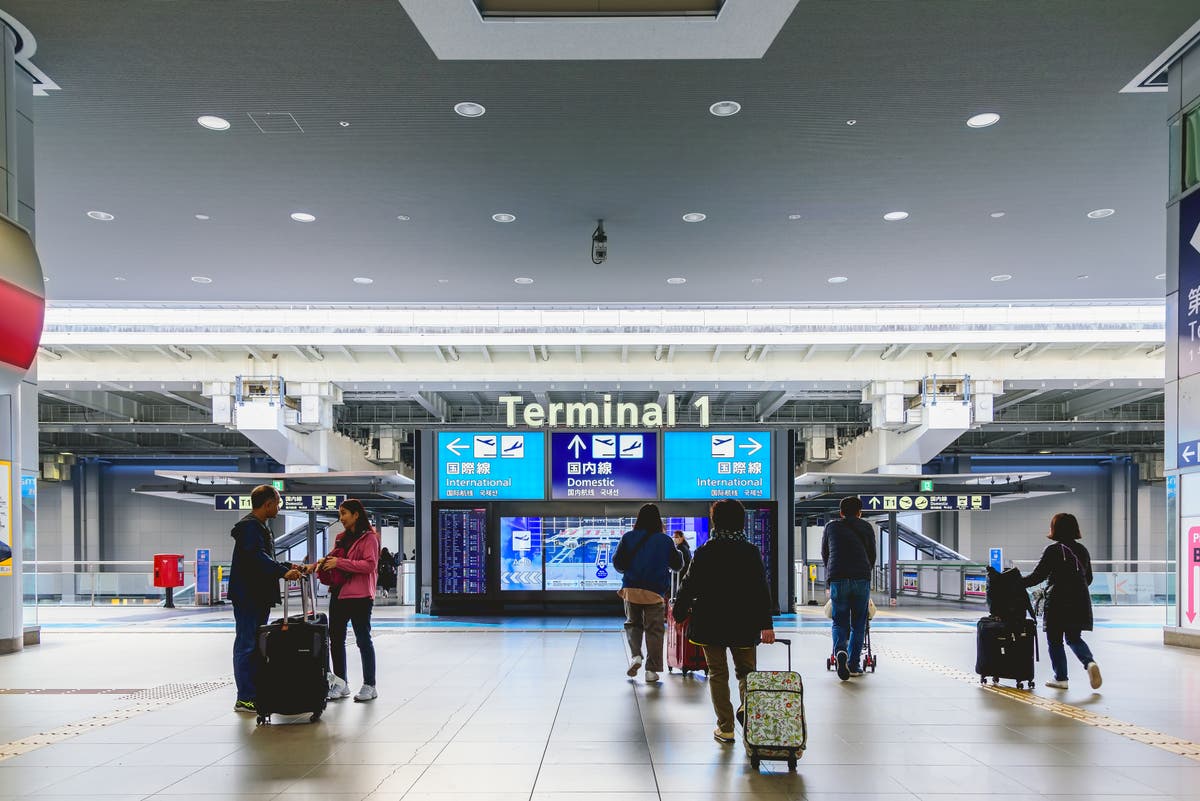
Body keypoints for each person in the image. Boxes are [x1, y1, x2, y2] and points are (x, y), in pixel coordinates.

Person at [674, 499, 775, 745]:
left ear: (715, 521)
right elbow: (761, 589)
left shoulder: (705, 551)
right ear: (741, 522)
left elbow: (689, 585)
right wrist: (767, 625)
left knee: (718, 674)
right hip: (745, 623)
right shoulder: (750, 552)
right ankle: (748, 718)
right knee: (747, 674)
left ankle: (726, 727)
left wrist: (678, 614)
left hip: (711, 624)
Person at [228, 485, 302, 713]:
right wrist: (282, 572)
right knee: (247, 644)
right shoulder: (250, 527)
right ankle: (245, 698)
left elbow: (264, 557)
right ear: (268, 503)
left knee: (255, 644)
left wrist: (288, 566)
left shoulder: (258, 527)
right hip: (249, 595)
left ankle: (253, 693)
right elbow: (256, 558)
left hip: (257, 595)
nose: (278, 508)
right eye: (277, 503)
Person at [1022, 512, 1102, 690]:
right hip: (1080, 599)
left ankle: (1061, 678)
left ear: (1054, 529)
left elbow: (1038, 576)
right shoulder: (1082, 550)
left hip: (1058, 599)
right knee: (1074, 638)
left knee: (1055, 640)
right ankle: (1089, 663)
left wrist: (1016, 582)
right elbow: (1088, 578)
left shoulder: (1053, 550)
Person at [315, 499, 381, 702]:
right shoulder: (341, 538)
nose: (341, 518)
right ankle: (340, 683)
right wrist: (321, 564)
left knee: (363, 640)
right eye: (340, 514)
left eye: (344, 513)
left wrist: (340, 563)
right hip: (340, 594)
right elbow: (335, 558)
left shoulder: (370, 538)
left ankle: (370, 685)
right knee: (335, 640)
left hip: (361, 596)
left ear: (356, 515)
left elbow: (369, 565)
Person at [612, 503, 682, 683]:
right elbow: (677, 565)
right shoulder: (665, 540)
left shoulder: (628, 537)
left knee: (633, 624)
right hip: (655, 592)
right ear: (658, 520)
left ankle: (636, 655)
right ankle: (652, 670)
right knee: (655, 630)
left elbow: (618, 564)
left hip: (631, 589)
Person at [822, 496, 876, 681]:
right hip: (861, 577)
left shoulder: (831, 527)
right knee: (859, 623)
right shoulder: (866, 527)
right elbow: (872, 555)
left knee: (839, 621)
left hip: (838, 577)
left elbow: (825, 553)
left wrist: (831, 575)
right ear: (860, 513)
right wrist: (865, 572)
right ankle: (853, 665)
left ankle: (840, 651)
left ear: (841, 512)